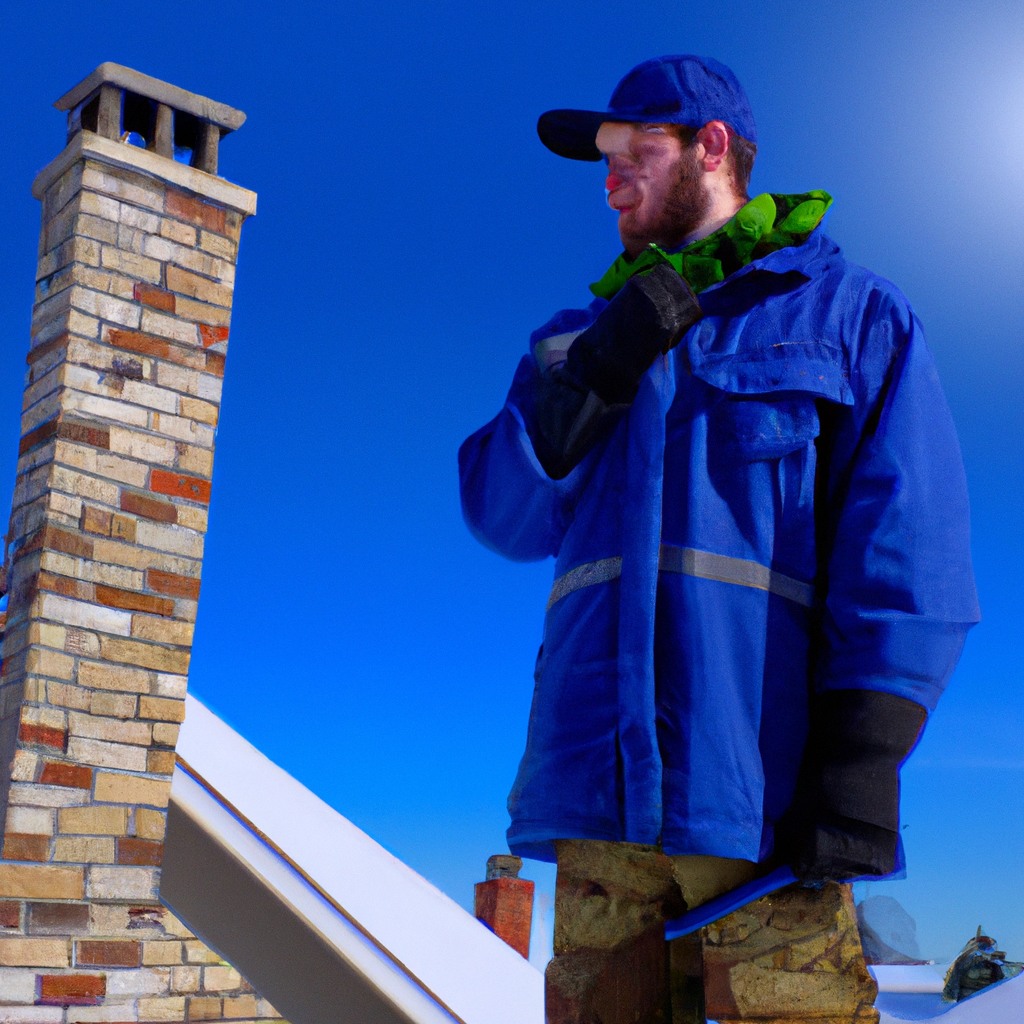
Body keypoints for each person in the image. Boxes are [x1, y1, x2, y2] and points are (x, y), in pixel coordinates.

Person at [459, 55, 979, 1022]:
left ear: (711, 149)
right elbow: (502, 519)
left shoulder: (850, 315)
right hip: (596, 810)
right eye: (602, 160)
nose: (609, 177)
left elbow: (912, 554)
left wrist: (863, 761)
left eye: (634, 152)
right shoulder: (573, 340)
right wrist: (592, 384)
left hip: (759, 802)